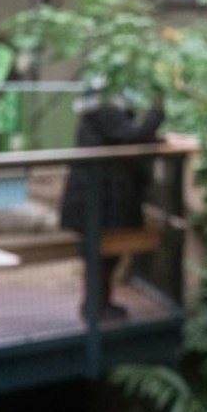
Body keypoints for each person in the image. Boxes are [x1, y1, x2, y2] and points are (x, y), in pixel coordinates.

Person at [58, 86, 164, 322]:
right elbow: (134, 135)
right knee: (101, 254)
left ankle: (99, 304)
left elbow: (129, 136)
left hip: (102, 198)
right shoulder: (104, 112)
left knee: (106, 254)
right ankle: (96, 307)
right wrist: (158, 109)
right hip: (97, 199)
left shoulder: (100, 113)